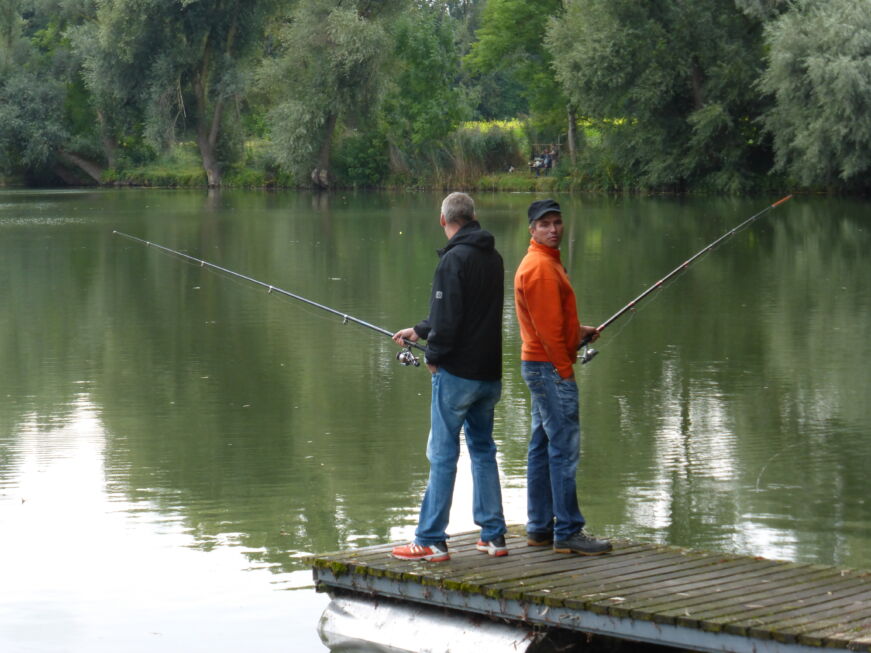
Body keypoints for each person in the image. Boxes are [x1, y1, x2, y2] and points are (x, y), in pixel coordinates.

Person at [390, 192, 508, 562]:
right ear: (472, 216)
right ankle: (493, 536)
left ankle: (430, 539)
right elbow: (462, 312)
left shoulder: (453, 260)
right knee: (483, 450)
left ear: (443, 220)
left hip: (457, 375)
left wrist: (434, 357)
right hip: (489, 374)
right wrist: (420, 330)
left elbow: (450, 318)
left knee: (442, 454)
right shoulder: (494, 257)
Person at [514, 198, 612, 556]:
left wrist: (578, 331)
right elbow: (547, 332)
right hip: (549, 367)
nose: (554, 229)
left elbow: (553, 323)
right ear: (532, 230)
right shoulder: (539, 268)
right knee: (563, 449)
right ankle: (568, 531)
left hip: (541, 364)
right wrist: (564, 370)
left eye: (557, 222)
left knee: (541, 447)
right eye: (545, 224)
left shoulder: (546, 263)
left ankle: (540, 528)